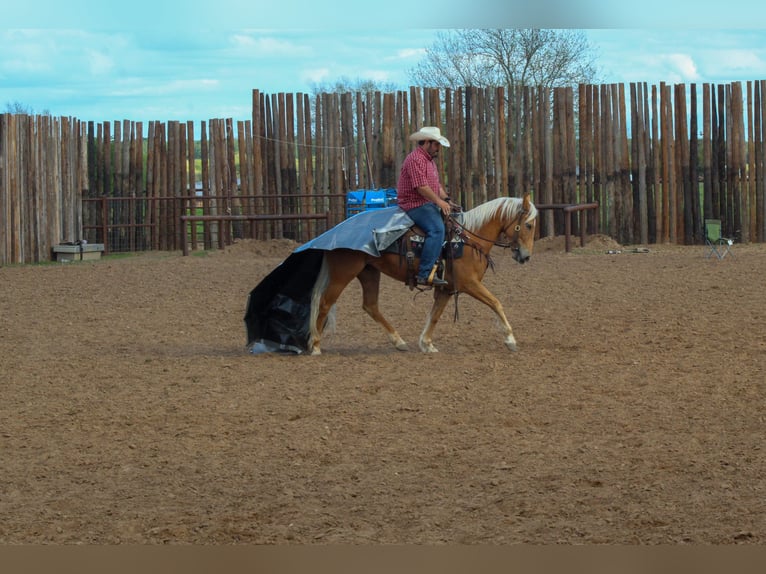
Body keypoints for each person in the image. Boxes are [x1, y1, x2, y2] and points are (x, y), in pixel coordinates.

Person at [396, 126, 452, 287]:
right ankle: (424, 273)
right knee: (437, 229)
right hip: (413, 204)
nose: (438, 149)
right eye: (436, 145)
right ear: (427, 142)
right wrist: (439, 202)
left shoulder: (429, 161)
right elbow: (421, 187)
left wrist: (446, 199)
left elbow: (435, 185)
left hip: (426, 202)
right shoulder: (415, 159)